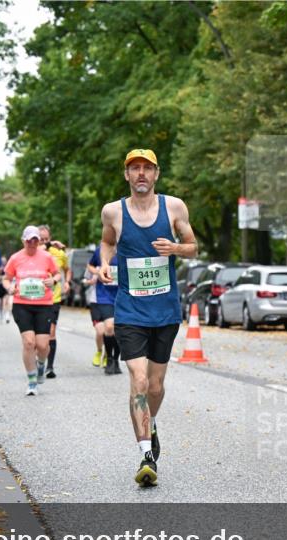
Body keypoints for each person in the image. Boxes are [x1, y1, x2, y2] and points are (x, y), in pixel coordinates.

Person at [98, 148, 197, 486]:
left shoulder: (174, 207)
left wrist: (176, 249)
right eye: (134, 169)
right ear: (126, 175)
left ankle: (150, 424)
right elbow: (107, 242)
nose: (141, 174)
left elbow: (192, 245)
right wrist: (105, 263)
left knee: (155, 386)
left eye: (147, 169)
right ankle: (145, 455)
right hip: (129, 310)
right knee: (138, 380)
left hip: (165, 310)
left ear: (156, 174)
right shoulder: (113, 211)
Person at [3, 225, 60, 395]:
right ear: (23, 241)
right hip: (22, 304)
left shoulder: (47, 257)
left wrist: (54, 281)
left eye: (35, 240)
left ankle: (41, 364)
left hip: (44, 305)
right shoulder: (15, 258)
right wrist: (9, 288)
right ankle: (32, 380)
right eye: (29, 240)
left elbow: (57, 274)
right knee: (29, 343)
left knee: (43, 345)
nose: (32, 243)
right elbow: (6, 279)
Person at [38, 225, 70, 378]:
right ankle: (39, 362)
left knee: (50, 333)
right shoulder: (33, 253)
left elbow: (66, 269)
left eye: (46, 239)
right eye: (41, 239)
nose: (44, 242)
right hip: (35, 299)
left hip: (53, 298)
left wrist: (67, 282)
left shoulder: (59, 253)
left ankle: (49, 367)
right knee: (37, 336)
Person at [88, 249, 121, 374]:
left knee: (118, 329)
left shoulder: (127, 248)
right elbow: (90, 265)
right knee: (109, 326)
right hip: (104, 296)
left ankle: (116, 360)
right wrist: (97, 271)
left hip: (121, 295)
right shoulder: (101, 251)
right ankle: (109, 359)